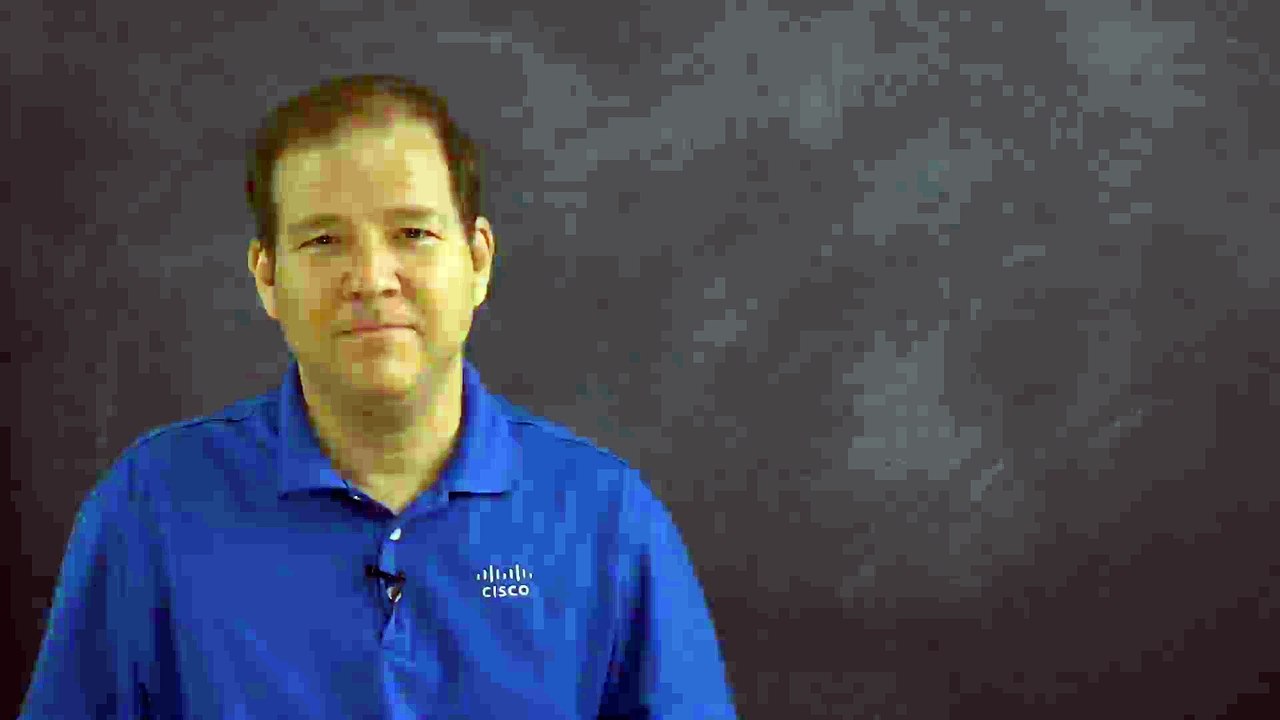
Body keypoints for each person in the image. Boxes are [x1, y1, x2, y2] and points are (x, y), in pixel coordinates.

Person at [20, 73, 737, 719]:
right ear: (267, 277)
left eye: (413, 233)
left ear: (477, 260)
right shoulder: (151, 508)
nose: (371, 277)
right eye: (324, 241)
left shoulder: (608, 518)